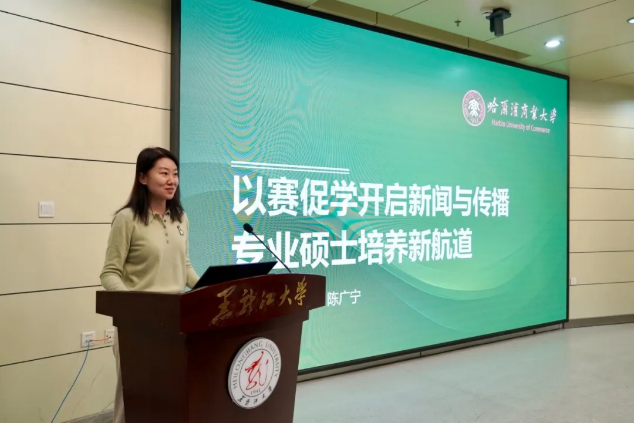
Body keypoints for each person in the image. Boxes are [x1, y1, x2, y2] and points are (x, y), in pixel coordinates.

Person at [100, 147, 199, 423]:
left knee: (170, 397)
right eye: (164, 173)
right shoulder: (127, 219)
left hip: (177, 322)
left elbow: (184, 267)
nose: (172, 180)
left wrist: (211, 288)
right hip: (138, 325)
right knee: (133, 398)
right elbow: (110, 273)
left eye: (175, 174)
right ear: (143, 178)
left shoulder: (181, 218)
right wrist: (134, 306)